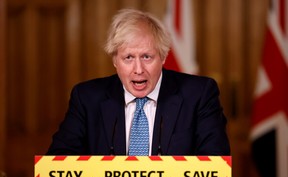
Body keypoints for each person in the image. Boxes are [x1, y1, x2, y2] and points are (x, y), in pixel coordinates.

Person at [47, 8, 230, 157]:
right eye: (128, 58)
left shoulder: (199, 94)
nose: (138, 69)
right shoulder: (87, 98)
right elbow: (59, 162)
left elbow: (214, 165)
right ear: (115, 61)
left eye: (147, 57)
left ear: (163, 57)